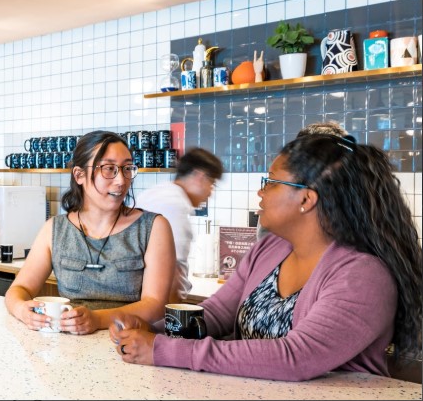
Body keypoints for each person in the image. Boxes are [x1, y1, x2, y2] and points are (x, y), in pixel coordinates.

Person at [111, 134, 423, 381]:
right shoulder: (270, 249)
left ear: (306, 198)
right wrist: (152, 329)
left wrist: (163, 350)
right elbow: (215, 314)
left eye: (271, 182)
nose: (261, 192)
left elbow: (296, 357)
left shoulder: (363, 275)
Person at [4, 131, 175, 335]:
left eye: (127, 168)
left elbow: (155, 305)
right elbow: (19, 289)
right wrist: (21, 309)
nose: (121, 180)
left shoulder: (154, 227)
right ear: (79, 175)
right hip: (68, 344)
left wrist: (97, 319)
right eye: (109, 169)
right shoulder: (55, 228)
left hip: (128, 343)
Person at [134, 148, 223, 303]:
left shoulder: (159, 193)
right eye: (212, 184)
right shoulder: (175, 206)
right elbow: (173, 273)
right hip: (150, 303)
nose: (211, 193)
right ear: (200, 177)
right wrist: (174, 313)